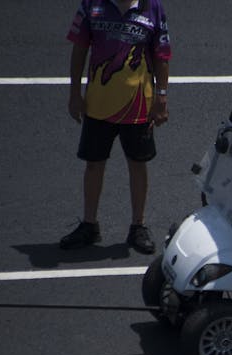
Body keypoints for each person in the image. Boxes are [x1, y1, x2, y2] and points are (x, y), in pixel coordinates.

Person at [61, 0, 171, 254]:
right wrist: (74, 94)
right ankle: (89, 225)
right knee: (93, 164)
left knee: (137, 163)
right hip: (98, 105)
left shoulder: (152, 7)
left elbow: (162, 54)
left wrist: (162, 97)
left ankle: (138, 226)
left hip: (139, 106)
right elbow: (79, 48)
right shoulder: (91, 4)